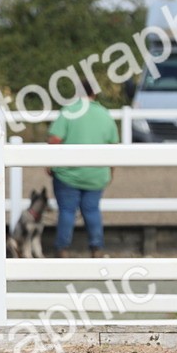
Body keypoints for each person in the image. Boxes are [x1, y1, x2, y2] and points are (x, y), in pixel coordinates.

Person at [47, 80, 118, 257]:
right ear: (94, 93)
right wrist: (110, 172)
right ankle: (96, 248)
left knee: (67, 211)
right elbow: (113, 146)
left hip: (68, 174)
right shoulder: (104, 114)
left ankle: (62, 249)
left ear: (77, 93)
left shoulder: (69, 111)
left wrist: (49, 164)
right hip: (96, 174)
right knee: (92, 210)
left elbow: (55, 139)